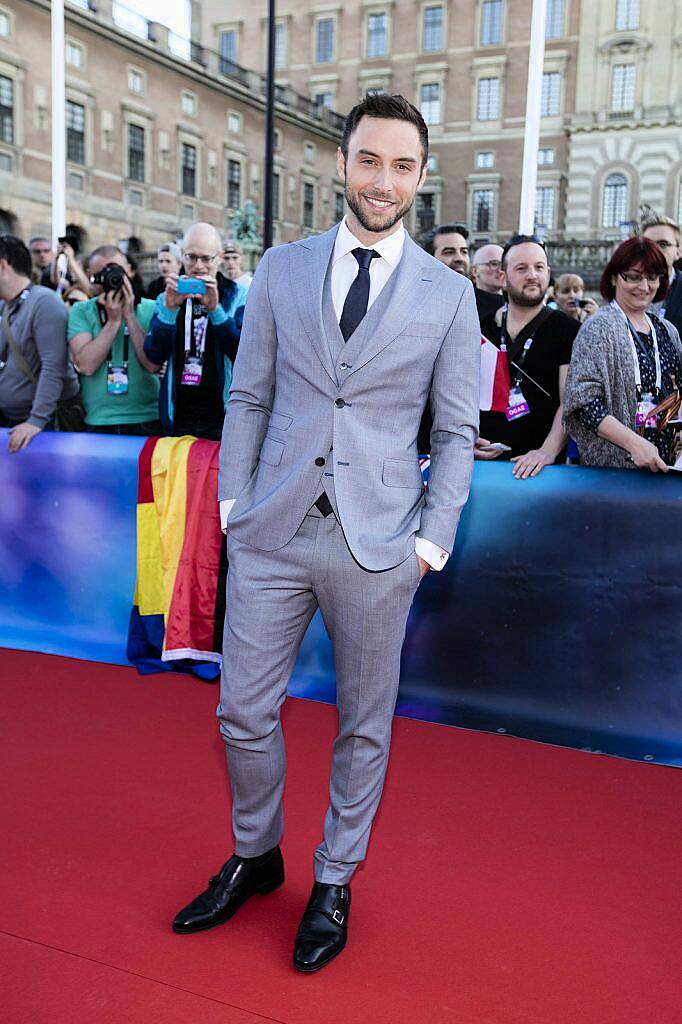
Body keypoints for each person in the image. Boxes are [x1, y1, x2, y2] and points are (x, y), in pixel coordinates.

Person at [172, 93, 480, 972]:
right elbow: (250, 394)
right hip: (272, 529)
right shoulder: (282, 267)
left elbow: (455, 431)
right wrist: (234, 505)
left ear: (420, 178)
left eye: (402, 166)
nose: (383, 181)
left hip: (381, 543)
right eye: (369, 160)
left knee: (364, 723)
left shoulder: (449, 295)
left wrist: (432, 540)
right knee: (240, 710)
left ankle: (335, 878)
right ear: (341, 165)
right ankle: (257, 854)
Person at [564, 236, 682, 471]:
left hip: (665, 468)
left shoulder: (667, 330)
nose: (644, 286)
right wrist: (634, 444)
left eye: (652, 277)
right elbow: (583, 403)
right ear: (614, 278)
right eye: (634, 277)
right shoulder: (599, 328)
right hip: (614, 473)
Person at [478, 234, 579, 478]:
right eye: (521, 268)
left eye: (539, 267)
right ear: (503, 277)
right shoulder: (478, 328)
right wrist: (465, 438)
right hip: (481, 463)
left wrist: (546, 452)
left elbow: (570, 402)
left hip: (541, 470)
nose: (532, 275)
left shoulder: (569, 330)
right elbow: (459, 392)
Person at [144, 222, 246, 440]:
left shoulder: (238, 295)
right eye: (191, 257)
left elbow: (243, 354)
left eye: (206, 258)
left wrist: (216, 311)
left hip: (223, 419)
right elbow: (153, 356)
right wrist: (170, 312)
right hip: (178, 416)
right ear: (182, 256)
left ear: (218, 258)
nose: (198, 266)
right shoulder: (167, 297)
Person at [67, 245, 161, 435]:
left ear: (130, 271)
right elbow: (86, 365)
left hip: (147, 417)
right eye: (104, 273)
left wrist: (130, 317)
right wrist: (113, 321)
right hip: (99, 419)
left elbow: (152, 365)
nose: (112, 278)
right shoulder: (81, 310)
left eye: (117, 271)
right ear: (91, 276)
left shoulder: (152, 308)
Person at [0, 235, 80, 451]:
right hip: (16, 423)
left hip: (42, 428)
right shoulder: (7, 305)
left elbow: (54, 366)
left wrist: (36, 420)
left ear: (3, 266)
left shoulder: (44, 302)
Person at [641, 215, 682, 337]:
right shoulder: (625, 291)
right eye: (648, 245)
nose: (655, 251)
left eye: (663, 244)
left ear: (679, 251)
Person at [471, 243, 505, 318]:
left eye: (504, 264)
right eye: (494, 264)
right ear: (475, 271)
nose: (501, 270)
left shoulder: (515, 301)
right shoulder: (466, 304)